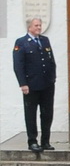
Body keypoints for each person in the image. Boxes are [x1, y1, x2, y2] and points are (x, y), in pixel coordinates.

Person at [12, 16, 56, 151]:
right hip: (31, 85)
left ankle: (45, 141)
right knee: (31, 114)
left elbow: (50, 60)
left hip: (47, 84)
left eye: (39, 25)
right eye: (36, 25)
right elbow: (18, 65)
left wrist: (53, 78)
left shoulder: (44, 40)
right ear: (29, 27)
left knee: (47, 113)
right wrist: (23, 83)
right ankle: (32, 141)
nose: (39, 27)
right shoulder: (22, 42)